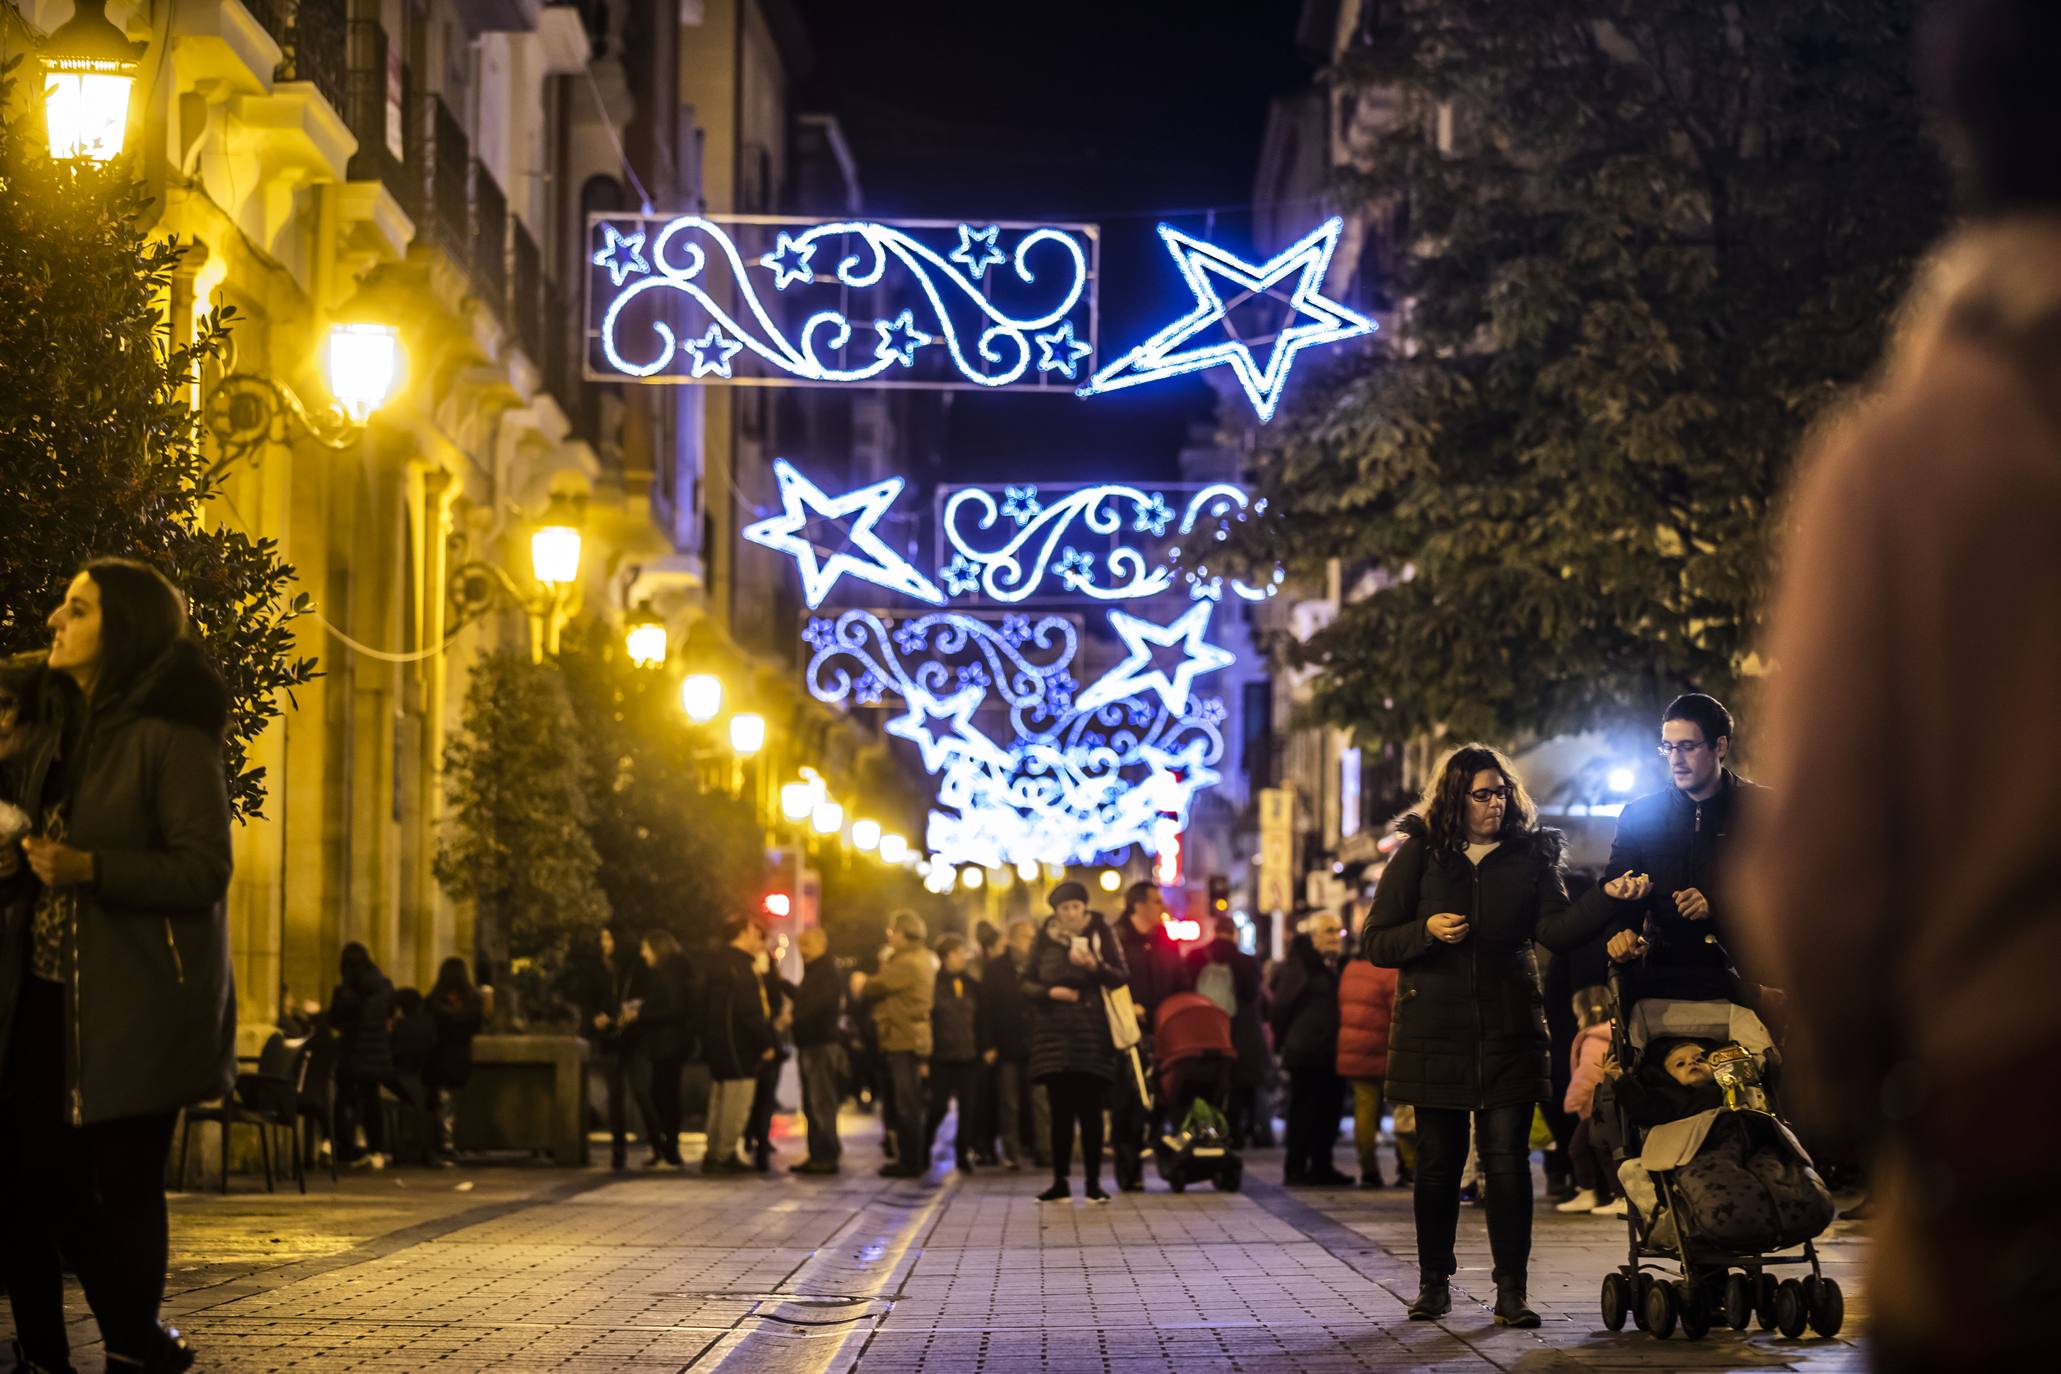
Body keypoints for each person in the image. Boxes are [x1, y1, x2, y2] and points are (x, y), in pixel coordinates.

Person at [1736, 5, 2061, 1366]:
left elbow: (1820, 861)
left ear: (1962, 134)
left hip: (2017, 1140)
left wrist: (1856, 1087)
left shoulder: (1903, 462)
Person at [0, 560, 236, 1373]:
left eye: (76, 609)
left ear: (121, 629)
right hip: (41, 992)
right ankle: (50, 1351)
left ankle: (133, 1347)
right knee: (28, 1186)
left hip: (134, 999)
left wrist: (93, 869)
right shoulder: (56, 728)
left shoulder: (171, 736)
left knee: (125, 1187)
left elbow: (205, 870)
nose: (53, 622)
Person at [1363, 744, 1617, 1328]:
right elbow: (1376, 941)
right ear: (1457, 797)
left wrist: (1605, 898)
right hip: (1435, 1031)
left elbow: (1555, 930)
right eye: (1483, 794)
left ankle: (1511, 1291)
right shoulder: (1422, 855)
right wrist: (1423, 931)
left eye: (1502, 793)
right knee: (1438, 1163)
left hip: (1509, 1029)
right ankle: (1434, 1283)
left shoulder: (1529, 856)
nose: (1496, 804)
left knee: (1506, 1163)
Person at [1593, 694, 1766, 1003]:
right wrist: (1620, 936)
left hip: (1750, 984)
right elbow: (1620, 896)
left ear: (1720, 746)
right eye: (1668, 747)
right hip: (1663, 987)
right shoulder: (1640, 815)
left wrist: (1718, 904)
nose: (1675, 759)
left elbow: (1788, 892)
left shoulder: (1762, 810)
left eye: (1687, 747)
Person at [1022, 881, 1129, 1203]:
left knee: (1092, 1112)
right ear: (1055, 912)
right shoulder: (1044, 939)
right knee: (1060, 1113)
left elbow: (1122, 976)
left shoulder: (1101, 934)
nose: (1071, 913)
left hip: (1093, 1036)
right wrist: (1048, 992)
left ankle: (1094, 1183)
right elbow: (1025, 982)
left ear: (1084, 908)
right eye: (1065, 908)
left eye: (1076, 907)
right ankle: (1060, 1180)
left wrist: (1095, 967)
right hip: (1053, 1038)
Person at [1107, 880, 1188, 1190]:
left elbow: (1181, 979)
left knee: (1166, 1094)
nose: (1162, 907)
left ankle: (1169, 1157)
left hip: (1165, 1028)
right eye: (1156, 901)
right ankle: (1129, 1167)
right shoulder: (1117, 939)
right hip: (1130, 1029)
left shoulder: (1166, 940)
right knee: (1128, 1098)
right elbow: (1110, 982)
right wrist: (1129, 1007)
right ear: (1137, 905)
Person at [1272, 912, 1350, 1186]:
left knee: (1329, 1113)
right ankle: (1295, 1168)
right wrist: (1281, 1043)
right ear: (1314, 935)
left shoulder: (1334, 965)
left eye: (1338, 932)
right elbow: (1281, 1007)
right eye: (1329, 931)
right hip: (1305, 1051)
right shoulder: (1301, 965)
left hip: (1331, 1051)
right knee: (1303, 1113)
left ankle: (1321, 1166)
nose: (1335, 938)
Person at [700, 917, 778, 1174]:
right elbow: (750, 1010)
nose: (760, 939)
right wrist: (765, 1042)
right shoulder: (741, 966)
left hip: (718, 1041)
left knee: (720, 1097)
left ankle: (714, 1151)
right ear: (745, 932)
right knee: (737, 1098)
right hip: (738, 1046)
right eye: (757, 932)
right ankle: (724, 1154)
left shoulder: (717, 962)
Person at [864, 911, 937, 1178]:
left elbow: (873, 986)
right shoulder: (919, 959)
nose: (890, 937)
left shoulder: (907, 963)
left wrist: (863, 981)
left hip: (904, 1039)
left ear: (904, 934)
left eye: (892, 932)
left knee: (907, 1103)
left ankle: (910, 1161)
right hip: (908, 1037)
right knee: (908, 1101)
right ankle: (913, 1157)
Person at [1186, 914, 1268, 1146]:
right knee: (1239, 1087)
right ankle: (1237, 1133)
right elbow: (1252, 994)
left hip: (1204, 1029)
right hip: (1239, 1032)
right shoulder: (1246, 961)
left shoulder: (1195, 957)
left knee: (1209, 1083)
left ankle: (1206, 1129)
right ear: (1234, 932)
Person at [577, 924, 648, 1172]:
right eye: (603, 938)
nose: (604, 944)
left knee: (641, 1091)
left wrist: (632, 1013)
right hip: (608, 1039)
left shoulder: (634, 969)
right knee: (614, 1095)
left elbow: (645, 997)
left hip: (633, 1038)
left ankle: (657, 1143)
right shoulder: (596, 969)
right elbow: (587, 1001)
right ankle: (618, 1151)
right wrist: (596, 1020)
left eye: (609, 938)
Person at [329, 942, 398, 1170]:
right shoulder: (384, 988)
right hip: (376, 1053)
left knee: (344, 1100)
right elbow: (389, 1016)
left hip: (352, 1052)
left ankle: (346, 1147)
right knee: (372, 1101)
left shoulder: (346, 991)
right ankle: (376, 1150)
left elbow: (335, 1020)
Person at [1336, 938, 1398, 1189]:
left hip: (1353, 1048)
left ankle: (1369, 1168)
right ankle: (1408, 1164)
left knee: (1364, 1110)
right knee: (1403, 1109)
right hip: (1382, 1049)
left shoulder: (1350, 970)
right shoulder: (1387, 972)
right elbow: (1397, 1011)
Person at [979, 917, 1037, 1171]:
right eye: (1026, 937)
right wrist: (988, 1044)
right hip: (1006, 1045)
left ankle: (1042, 1150)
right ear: (1012, 940)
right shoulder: (995, 969)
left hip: (1035, 1045)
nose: (1030, 942)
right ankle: (1012, 1152)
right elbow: (986, 1009)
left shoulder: (1037, 965)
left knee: (1039, 1101)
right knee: (1009, 1102)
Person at [1555, 985, 1618, 1214]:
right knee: (1602, 1150)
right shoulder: (1611, 1033)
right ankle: (1601, 1193)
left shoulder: (1593, 1038)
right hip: (1605, 1106)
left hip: (1597, 1107)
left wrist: (1574, 1099)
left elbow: (1589, 1074)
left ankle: (1599, 1193)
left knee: (1580, 1149)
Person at [924, 934, 983, 1173]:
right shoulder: (933, 984)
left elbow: (981, 1017)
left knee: (968, 1107)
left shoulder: (971, 984)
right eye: (958, 953)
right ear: (946, 956)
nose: (963, 958)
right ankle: (923, 1148)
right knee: (938, 1106)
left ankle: (962, 1154)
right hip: (942, 1057)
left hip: (968, 1055)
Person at [635, 930, 693, 1170]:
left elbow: (674, 1010)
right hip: (670, 1044)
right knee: (665, 1095)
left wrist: (641, 1015)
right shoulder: (672, 974)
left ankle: (668, 1148)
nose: (642, 954)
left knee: (664, 1096)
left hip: (667, 1045)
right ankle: (667, 1147)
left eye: (646, 948)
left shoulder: (667, 976)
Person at [790, 925, 845, 1174]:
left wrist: (793, 1018)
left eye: (807, 944)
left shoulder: (825, 971)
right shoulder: (814, 971)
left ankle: (825, 1154)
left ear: (821, 944)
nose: (803, 951)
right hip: (811, 1044)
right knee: (812, 1102)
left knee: (821, 1101)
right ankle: (817, 1153)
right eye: (800, 945)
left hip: (820, 1044)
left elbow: (815, 1006)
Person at [423, 956, 488, 1165]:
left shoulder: (433, 1001)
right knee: (455, 1101)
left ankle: (444, 1143)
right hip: (460, 1057)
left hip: (438, 1057)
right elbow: (480, 1025)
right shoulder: (473, 1002)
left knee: (441, 1101)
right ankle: (452, 1142)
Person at [743, 940, 793, 1171]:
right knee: (753, 1095)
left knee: (765, 1095)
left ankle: (762, 1142)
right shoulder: (743, 972)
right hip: (753, 1041)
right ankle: (751, 1137)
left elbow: (776, 1003)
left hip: (769, 1040)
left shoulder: (771, 975)